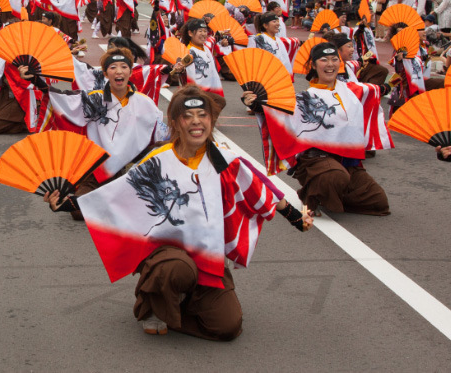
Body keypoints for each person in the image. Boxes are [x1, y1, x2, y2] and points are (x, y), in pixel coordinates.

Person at [46, 85, 311, 338]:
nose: (196, 122)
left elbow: (263, 193)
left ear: (211, 121)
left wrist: (298, 218)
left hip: (209, 255)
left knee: (228, 327)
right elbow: (115, 196)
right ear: (175, 123)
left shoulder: (226, 161)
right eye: (188, 116)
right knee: (176, 268)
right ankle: (152, 304)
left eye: (202, 115)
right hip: (167, 255)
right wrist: (68, 203)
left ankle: (179, 303)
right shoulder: (158, 159)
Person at [245, 42, 392, 215]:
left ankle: (332, 194)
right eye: (324, 60)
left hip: (347, 160)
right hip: (317, 161)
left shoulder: (350, 89)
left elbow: (372, 89)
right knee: (335, 177)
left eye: (334, 59)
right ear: (314, 65)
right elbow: (277, 109)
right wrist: (256, 104)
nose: (330, 64)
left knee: (378, 202)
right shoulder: (305, 98)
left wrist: (386, 87)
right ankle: (312, 196)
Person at [35, 48, 170, 205]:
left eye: (124, 67)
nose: (119, 71)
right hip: (96, 168)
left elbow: (160, 138)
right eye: (113, 67)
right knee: (80, 210)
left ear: (131, 72)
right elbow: (64, 101)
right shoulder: (94, 99)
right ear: (105, 74)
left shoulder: (145, 103)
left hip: (129, 169)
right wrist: (36, 80)